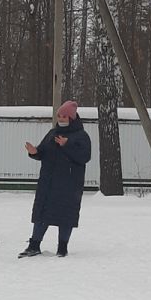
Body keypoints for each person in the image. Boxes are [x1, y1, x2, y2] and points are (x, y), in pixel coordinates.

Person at [22, 99, 92, 256]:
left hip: (69, 185)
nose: (60, 119)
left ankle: (62, 247)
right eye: (59, 115)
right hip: (48, 182)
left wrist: (67, 145)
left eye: (64, 116)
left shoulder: (81, 136)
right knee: (42, 214)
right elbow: (42, 152)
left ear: (72, 118)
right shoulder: (52, 133)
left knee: (65, 216)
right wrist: (34, 152)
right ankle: (34, 245)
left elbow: (84, 157)